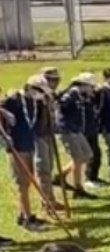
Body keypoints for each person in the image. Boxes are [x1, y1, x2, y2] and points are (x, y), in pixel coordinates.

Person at [2, 80, 49, 231]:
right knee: (22, 184)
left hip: (29, 145)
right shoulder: (14, 100)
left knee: (28, 181)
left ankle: (24, 214)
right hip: (16, 147)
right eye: (39, 91)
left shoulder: (34, 102)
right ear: (29, 87)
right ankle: (28, 220)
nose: (41, 95)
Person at [56, 72, 98, 199]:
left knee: (88, 154)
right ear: (84, 85)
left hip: (76, 129)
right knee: (78, 158)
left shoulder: (81, 95)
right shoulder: (72, 93)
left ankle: (60, 175)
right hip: (68, 130)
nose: (92, 89)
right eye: (91, 86)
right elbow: (61, 104)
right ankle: (78, 188)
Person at [27, 74, 60, 212]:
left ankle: (50, 199)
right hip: (37, 137)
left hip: (47, 134)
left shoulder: (46, 98)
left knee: (49, 167)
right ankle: (47, 201)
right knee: (43, 169)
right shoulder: (29, 101)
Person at [83, 76, 104, 188]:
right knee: (92, 154)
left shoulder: (91, 97)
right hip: (85, 129)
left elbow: (98, 106)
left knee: (96, 154)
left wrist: (98, 94)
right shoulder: (81, 97)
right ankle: (89, 178)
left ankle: (94, 177)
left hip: (92, 128)